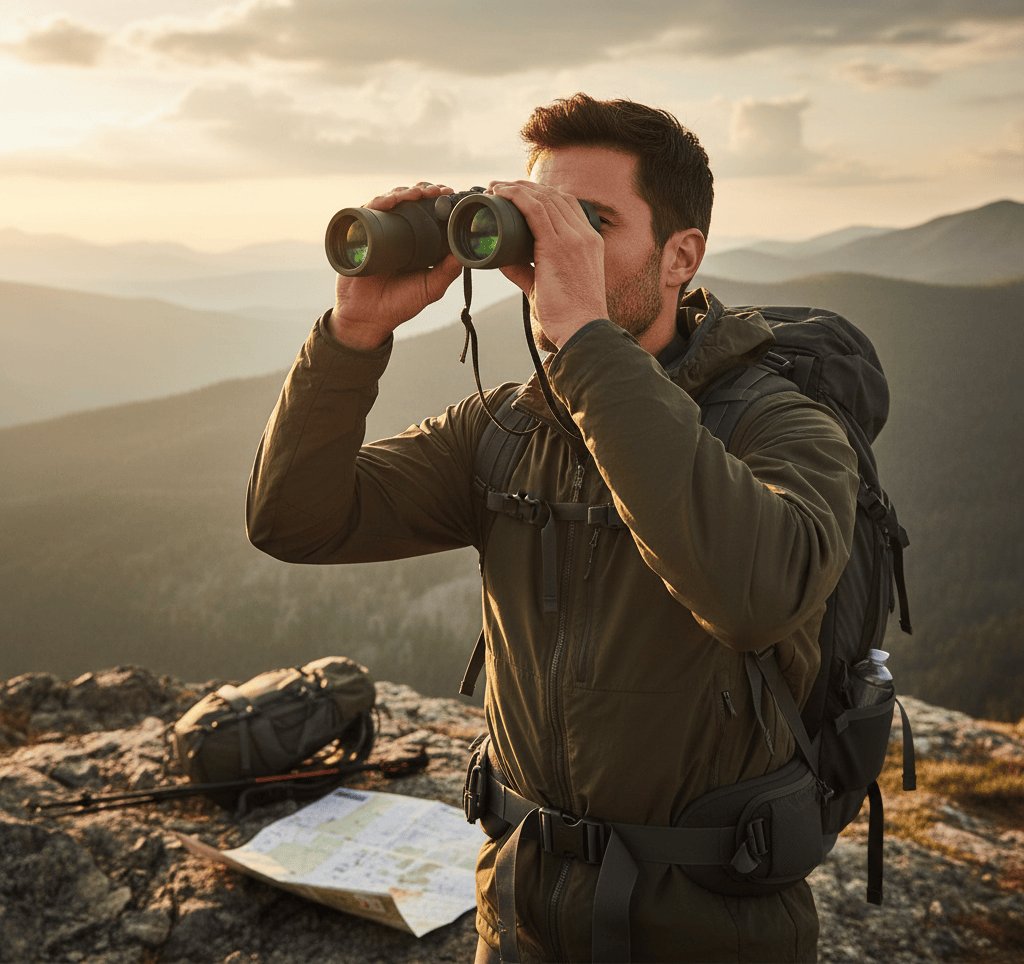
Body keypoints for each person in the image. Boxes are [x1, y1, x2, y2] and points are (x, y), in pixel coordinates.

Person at [246, 94, 859, 963]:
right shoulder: (509, 429)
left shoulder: (784, 428)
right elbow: (294, 520)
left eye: (591, 223)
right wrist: (354, 332)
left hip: (710, 927)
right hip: (523, 910)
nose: (558, 250)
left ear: (681, 255)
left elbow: (754, 596)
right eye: (546, 221)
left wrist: (583, 338)